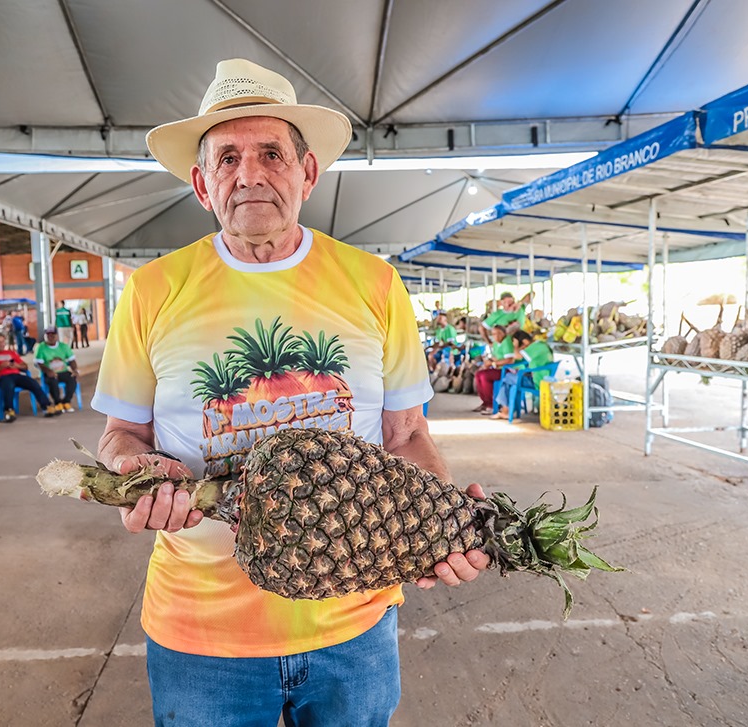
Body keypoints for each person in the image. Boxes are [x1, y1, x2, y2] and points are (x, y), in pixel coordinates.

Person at [90, 58, 489, 725]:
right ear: (202, 184)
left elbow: (407, 434)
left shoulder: (374, 283)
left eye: (271, 153)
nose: (249, 174)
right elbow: (121, 435)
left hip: (354, 617)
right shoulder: (152, 291)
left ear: (307, 172)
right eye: (227, 158)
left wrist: (440, 521)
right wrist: (134, 471)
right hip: (201, 629)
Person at [0, 332, 58, 422]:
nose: (1, 344)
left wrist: (17, 366)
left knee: (33, 383)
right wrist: (0, 367)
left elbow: (25, 366)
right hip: (2, 377)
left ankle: (47, 406)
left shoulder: (11, 353)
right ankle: (9, 411)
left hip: (16, 375)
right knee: (8, 386)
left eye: (3, 341)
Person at [490, 329, 554, 420]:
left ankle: (505, 411)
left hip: (537, 381)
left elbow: (517, 356)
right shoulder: (541, 345)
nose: (521, 349)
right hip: (543, 379)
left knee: (507, 378)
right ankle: (507, 409)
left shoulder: (535, 347)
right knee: (510, 380)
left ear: (524, 342)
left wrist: (516, 346)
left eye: (521, 347)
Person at [34, 327, 79, 413]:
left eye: (53, 335)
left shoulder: (63, 346)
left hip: (63, 371)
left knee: (72, 379)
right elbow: (39, 363)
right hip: (49, 373)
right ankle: (57, 402)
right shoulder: (41, 347)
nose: (50, 337)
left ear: (57, 336)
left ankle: (66, 401)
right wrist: (48, 371)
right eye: (48, 335)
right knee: (53, 381)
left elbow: (72, 360)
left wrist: (75, 370)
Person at [473, 325, 515, 413]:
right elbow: (496, 357)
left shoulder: (507, 342)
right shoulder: (496, 343)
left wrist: (493, 363)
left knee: (484, 376)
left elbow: (510, 360)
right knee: (478, 374)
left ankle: (491, 405)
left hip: (509, 370)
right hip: (499, 369)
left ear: (504, 333)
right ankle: (485, 402)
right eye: (494, 334)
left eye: (499, 333)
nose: (496, 336)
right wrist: (488, 362)